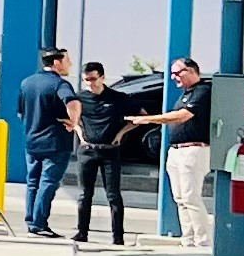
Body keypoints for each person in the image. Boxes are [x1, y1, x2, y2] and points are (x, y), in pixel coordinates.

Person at [74, 63, 157, 245]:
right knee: (84, 194)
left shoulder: (118, 98)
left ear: (102, 77)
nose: (90, 84)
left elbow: (142, 117)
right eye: (86, 80)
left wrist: (121, 133)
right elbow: (71, 118)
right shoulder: (80, 98)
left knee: (113, 195)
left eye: (93, 79)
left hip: (109, 151)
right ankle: (82, 232)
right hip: (87, 150)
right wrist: (80, 134)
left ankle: (118, 237)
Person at [18, 46, 79, 232]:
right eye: (67, 60)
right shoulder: (60, 84)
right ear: (57, 62)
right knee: (49, 182)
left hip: (32, 140)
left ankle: (31, 220)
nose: (70, 64)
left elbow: (21, 112)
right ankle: (39, 222)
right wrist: (73, 122)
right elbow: (73, 102)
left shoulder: (27, 83)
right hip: (55, 142)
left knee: (33, 182)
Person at [163, 56, 215, 246]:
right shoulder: (185, 93)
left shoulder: (203, 91)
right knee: (180, 198)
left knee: (190, 196)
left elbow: (184, 116)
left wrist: (149, 119)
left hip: (194, 149)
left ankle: (203, 239)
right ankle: (189, 237)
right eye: (172, 74)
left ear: (192, 71)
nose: (174, 78)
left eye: (177, 73)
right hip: (176, 151)